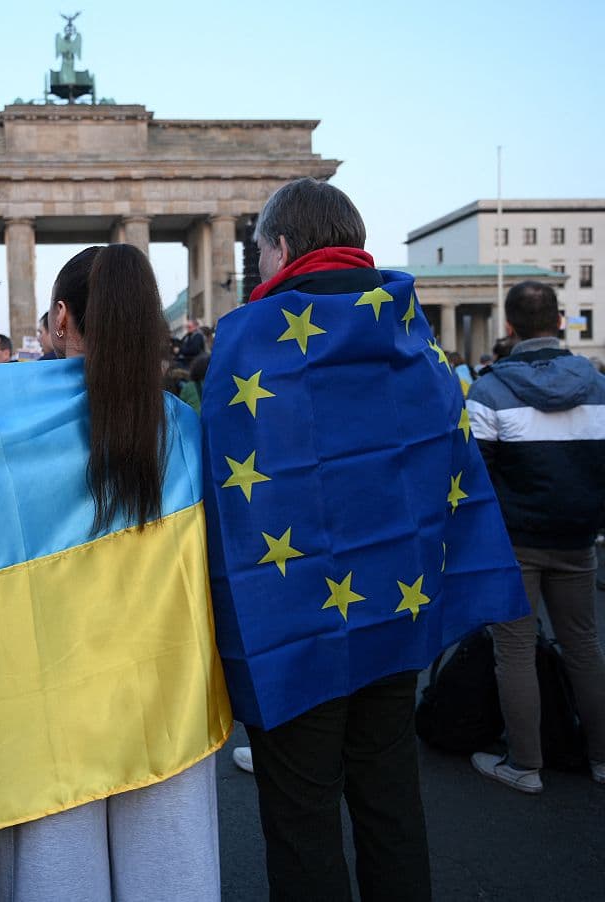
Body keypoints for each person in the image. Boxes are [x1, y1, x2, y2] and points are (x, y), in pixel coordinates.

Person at [202, 178, 528, 902]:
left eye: (259, 250)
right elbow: (449, 461)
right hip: (395, 607)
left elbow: (226, 480)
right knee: (390, 795)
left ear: (281, 246)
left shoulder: (249, 338)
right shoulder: (410, 334)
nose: (257, 266)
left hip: (291, 623)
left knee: (300, 814)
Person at [0, 245, 223, 902]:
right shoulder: (187, 428)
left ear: (61, 318)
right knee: (170, 868)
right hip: (164, 686)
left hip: (47, 688)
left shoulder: (7, 427)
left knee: (54, 871)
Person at [467, 280, 605, 792]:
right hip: (578, 537)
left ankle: (524, 765)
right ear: (561, 321)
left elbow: (475, 476)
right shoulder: (597, 385)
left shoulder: (489, 389)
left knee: (516, 649)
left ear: (509, 327)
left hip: (515, 540)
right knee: (585, 646)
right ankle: (600, 758)